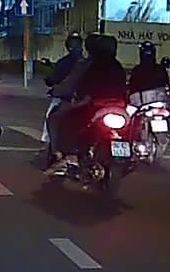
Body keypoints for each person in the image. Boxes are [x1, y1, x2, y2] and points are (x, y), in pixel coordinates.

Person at [44, 33, 128, 175]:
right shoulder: (117, 66)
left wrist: (57, 91)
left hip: (91, 105)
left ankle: (67, 156)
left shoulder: (86, 65)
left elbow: (70, 85)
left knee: (59, 118)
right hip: (119, 107)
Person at [42, 32, 86, 143]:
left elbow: (55, 79)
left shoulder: (66, 62)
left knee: (50, 117)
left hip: (67, 98)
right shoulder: (87, 62)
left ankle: (48, 143)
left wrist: (50, 81)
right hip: (83, 99)